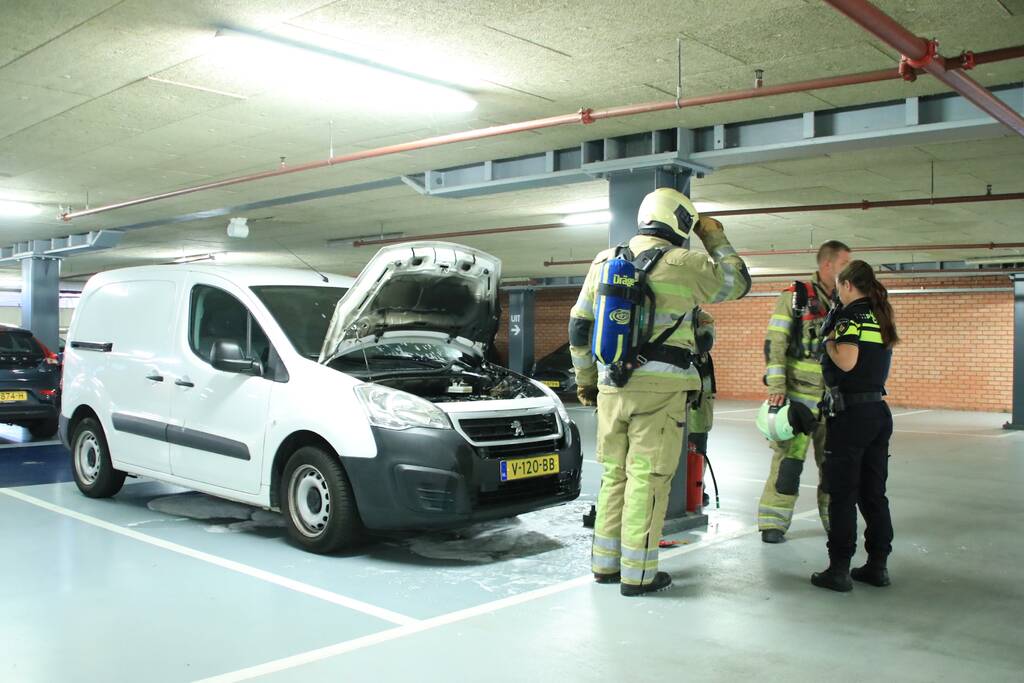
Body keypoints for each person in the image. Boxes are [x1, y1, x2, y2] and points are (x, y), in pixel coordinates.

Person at [569, 188, 751, 597]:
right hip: (662, 392)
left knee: (614, 476)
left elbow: (579, 326)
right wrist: (715, 237)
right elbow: (738, 282)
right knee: (647, 481)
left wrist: (585, 380)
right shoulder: (686, 263)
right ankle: (638, 575)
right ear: (682, 223)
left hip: (611, 388)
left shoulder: (604, 261)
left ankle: (604, 565)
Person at [811, 260, 898, 592]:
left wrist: (827, 343)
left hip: (851, 416)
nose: (835, 293)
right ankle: (878, 565)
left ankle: (839, 569)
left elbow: (846, 360)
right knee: (874, 494)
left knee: (843, 493)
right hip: (877, 411)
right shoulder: (879, 314)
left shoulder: (851, 317)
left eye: (838, 287)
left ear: (848, 285)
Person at [757, 240, 851, 544]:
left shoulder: (848, 302)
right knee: (788, 464)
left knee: (834, 467)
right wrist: (776, 388)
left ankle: (835, 524)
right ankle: (773, 523)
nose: (848, 270)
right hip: (798, 400)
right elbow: (776, 343)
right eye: (843, 264)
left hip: (834, 401)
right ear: (827, 266)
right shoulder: (794, 298)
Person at [689, 308, 715, 508]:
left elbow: (704, 342)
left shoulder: (703, 318)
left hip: (699, 404)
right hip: (675, 398)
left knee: (697, 448)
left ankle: (695, 488)